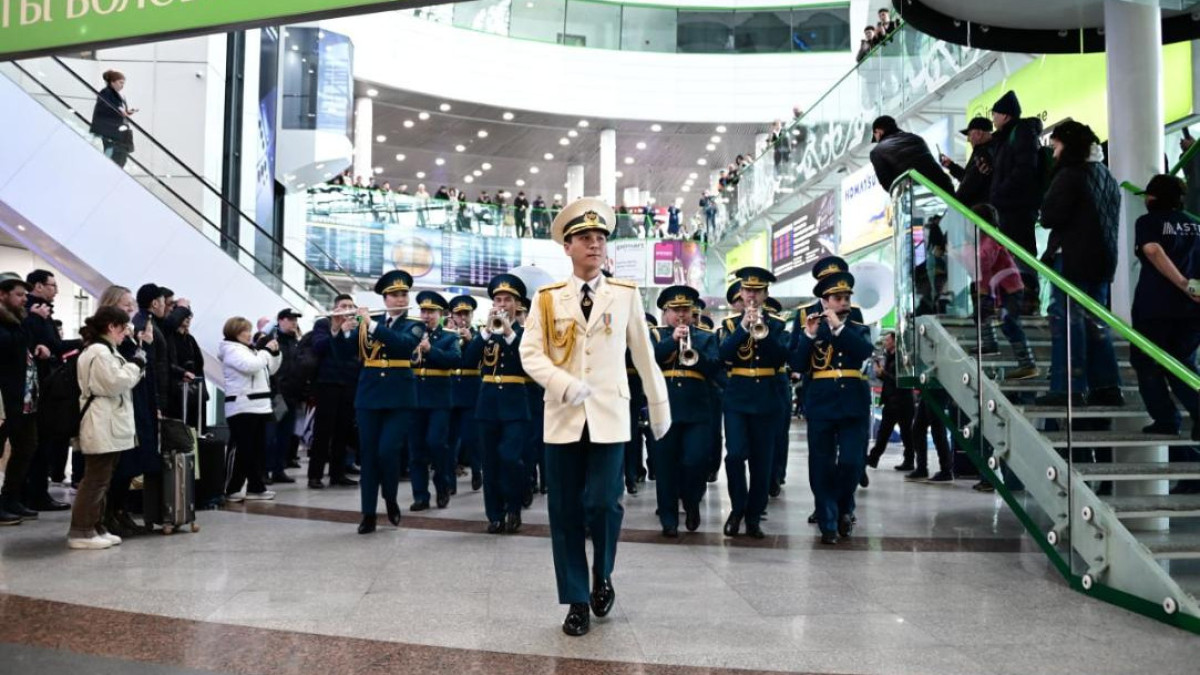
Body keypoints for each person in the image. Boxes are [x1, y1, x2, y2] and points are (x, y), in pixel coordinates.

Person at [519, 198, 671, 637]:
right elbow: (529, 353)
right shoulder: (547, 299)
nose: (595, 244)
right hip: (562, 415)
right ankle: (576, 598)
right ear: (567, 247)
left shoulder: (623, 295)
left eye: (601, 238)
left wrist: (658, 406)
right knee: (565, 510)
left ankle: (602, 573)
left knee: (604, 502)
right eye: (586, 238)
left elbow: (644, 357)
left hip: (609, 414)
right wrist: (562, 384)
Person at [1036, 120, 1123, 407]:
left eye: (1056, 145)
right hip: (1102, 261)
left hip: (1071, 259)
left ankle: (1066, 387)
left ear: (1068, 145)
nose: (1053, 152)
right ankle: (1107, 386)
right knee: (1096, 324)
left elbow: (1049, 216)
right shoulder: (1106, 175)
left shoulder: (1070, 174)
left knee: (1067, 325)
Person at [790, 271, 874, 545]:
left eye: (847, 297)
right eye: (838, 298)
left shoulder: (856, 327)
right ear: (825, 302)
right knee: (821, 463)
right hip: (822, 402)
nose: (845, 302)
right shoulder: (812, 327)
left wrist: (838, 327)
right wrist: (809, 336)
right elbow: (798, 365)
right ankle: (828, 520)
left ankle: (843, 507)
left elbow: (862, 351)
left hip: (853, 404)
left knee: (852, 461)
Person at [350, 270, 424, 534]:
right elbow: (346, 353)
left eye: (403, 294)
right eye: (394, 295)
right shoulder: (367, 321)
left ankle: (390, 498)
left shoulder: (415, 324)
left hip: (400, 398)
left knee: (387, 451)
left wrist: (369, 324)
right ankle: (368, 513)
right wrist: (340, 331)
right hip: (369, 396)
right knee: (369, 456)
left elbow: (402, 345)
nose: (399, 298)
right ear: (384, 298)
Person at [1131, 175, 1200, 450]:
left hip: (1156, 305)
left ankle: (1166, 419)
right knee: (1182, 363)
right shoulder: (1196, 225)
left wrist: (1182, 284)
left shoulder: (1148, 222)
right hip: (1193, 308)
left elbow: (1153, 251)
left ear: (1153, 198)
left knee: (1146, 361)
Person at [67, 307, 145, 549]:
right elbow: (114, 383)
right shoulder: (99, 352)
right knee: (95, 479)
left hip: (108, 420)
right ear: (112, 326)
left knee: (104, 478)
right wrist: (135, 365)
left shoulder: (105, 351)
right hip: (100, 420)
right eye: (124, 328)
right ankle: (81, 530)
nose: (126, 334)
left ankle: (96, 526)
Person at [719, 267, 788, 539]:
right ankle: (737, 508)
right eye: (748, 291)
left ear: (765, 294)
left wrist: (764, 331)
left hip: (767, 398)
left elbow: (782, 357)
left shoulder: (779, 324)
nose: (751, 296)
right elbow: (723, 355)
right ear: (741, 293)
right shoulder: (728, 325)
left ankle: (754, 516)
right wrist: (743, 327)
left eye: (757, 291)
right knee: (735, 454)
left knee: (762, 462)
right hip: (737, 396)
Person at [651, 286, 719, 537]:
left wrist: (695, 353)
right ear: (665, 312)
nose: (681, 315)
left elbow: (714, 368)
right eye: (675, 310)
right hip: (664, 408)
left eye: (685, 310)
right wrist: (672, 341)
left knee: (695, 460)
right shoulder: (656, 336)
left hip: (697, 409)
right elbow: (649, 361)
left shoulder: (705, 337)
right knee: (665, 465)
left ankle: (691, 503)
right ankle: (668, 518)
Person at [466, 275, 530, 533]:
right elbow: (468, 361)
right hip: (488, 404)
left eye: (508, 300)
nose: (502, 304)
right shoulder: (486, 333)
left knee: (510, 458)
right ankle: (494, 514)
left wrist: (509, 333)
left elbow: (528, 362)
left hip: (516, 404)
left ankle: (513, 507)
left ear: (517, 305)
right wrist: (484, 333)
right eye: (498, 300)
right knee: (490, 462)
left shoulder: (526, 333)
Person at [22, 270, 76, 512]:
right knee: (38, 442)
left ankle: (34, 493)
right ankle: (33, 494)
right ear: (38, 286)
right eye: (52, 285)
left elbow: (53, 346)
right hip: (36, 387)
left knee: (43, 441)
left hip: (43, 385)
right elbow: (48, 345)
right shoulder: (32, 314)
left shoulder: (41, 313)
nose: (56, 290)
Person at [988, 90, 1045, 298]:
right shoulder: (1005, 138)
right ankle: (1014, 299)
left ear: (1005, 115)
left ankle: (1028, 298)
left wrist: (1000, 193)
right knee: (1011, 255)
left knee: (1022, 253)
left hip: (1018, 207)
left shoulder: (1021, 132)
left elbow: (1024, 168)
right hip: (1008, 207)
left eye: (995, 114)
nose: (993, 119)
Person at [409, 291, 462, 510]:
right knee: (416, 449)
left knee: (436, 443)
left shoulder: (449, 336)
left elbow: (455, 359)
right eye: (423, 311)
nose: (426, 315)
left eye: (431, 312)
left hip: (439, 399)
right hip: (415, 398)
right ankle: (420, 495)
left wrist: (431, 350)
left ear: (441, 314)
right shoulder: (411, 333)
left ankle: (443, 484)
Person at [219, 317, 281, 503]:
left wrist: (275, 354)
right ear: (235, 333)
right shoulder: (230, 349)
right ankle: (232, 488)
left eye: (249, 330)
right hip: (241, 407)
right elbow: (250, 366)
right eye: (244, 331)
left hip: (259, 407)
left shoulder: (251, 350)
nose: (249, 334)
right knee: (242, 449)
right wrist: (265, 351)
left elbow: (270, 369)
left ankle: (256, 487)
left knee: (257, 450)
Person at [0, 273, 43, 525]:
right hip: (6, 400)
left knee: (27, 446)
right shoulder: (10, 324)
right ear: (2, 295)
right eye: (19, 294)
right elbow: (10, 346)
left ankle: (11, 498)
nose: (24, 300)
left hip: (25, 399)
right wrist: (28, 323)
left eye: (25, 295)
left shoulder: (17, 320)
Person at [307, 294, 361, 489]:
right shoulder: (323, 323)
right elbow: (319, 347)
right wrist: (336, 329)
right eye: (343, 306)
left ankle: (337, 474)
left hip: (349, 384)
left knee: (343, 431)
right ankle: (315, 475)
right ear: (335, 308)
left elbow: (358, 353)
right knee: (323, 431)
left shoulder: (358, 326)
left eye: (350, 306)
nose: (347, 310)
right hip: (327, 383)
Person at [260, 308, 303, 485]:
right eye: (290, 319)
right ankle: (263, 471)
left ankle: (279, 469)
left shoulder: (294, 341)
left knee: (285, 436)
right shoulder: (269, 340)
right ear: (280, 320)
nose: (294, 322)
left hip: (292, 395)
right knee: (270, 436)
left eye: (295, 319)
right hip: (276, 395)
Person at [869, 115, 956, 196]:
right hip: (945, 187)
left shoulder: (877, 152)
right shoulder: (916, 138)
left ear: (879, 131)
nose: (876, 140)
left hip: (920, 195)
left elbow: (888, 184)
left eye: (875, 135)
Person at [865, 331, 915, 472]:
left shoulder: (901, 358)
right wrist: (881, 375)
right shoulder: (890, 357)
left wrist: (883, 374)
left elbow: (899, 380)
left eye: (887, 340)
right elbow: (890, 380)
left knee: (906, 434)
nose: (885, 342)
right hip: (891, 401)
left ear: (894, 341)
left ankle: (909, 460)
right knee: (883, 433)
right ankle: (874, 458)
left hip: (902, 402)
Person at [447, 295, 482, 492]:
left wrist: (471, 341)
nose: (463, 318)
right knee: (450, 439)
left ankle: (477, 470)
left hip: (471, 390)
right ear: (452, 315)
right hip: (451, 389)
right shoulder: (446, 334)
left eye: (466, 314)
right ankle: (450, 480)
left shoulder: (479, 335)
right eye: (459, 314)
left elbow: (474, 361)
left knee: (471, 437)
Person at [940, 117, 995, 209]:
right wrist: (951, 166)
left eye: (969, 135)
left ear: (979, 133)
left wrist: (955, 203)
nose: (969, 139)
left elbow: (970, 183)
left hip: (980, 211)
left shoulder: (984, 153)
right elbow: (968, 177)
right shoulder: (985, 151)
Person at [89, 70, 137, 168]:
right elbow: (105, 108)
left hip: (118, 132)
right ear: (112, 82)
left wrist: (126, 112)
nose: (122, 85)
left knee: (121, 158)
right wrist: (120, 111)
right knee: (114, 158)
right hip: (111, 132)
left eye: (123, 83)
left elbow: (119, 111)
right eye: (120, 82)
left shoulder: (119, 96)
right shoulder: (106, 92)